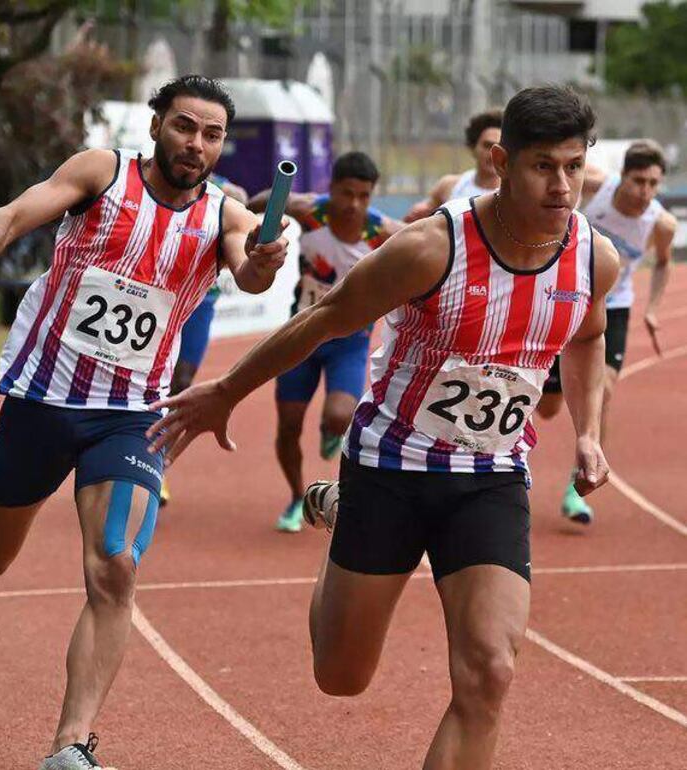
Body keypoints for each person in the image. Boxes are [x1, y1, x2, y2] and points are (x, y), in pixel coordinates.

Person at [148, 85, 618, 769]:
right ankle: (343, 513)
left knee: (489, 672)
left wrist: (587, 430)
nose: (562, 185)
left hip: (489, 476)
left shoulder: (592, 257)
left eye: (575, 167)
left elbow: (587, 338)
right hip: (392, 471)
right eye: (544, 166)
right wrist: (227, 390)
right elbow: (324, 319)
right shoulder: (431, 248)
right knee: (341, 676)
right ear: (499, 160)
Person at [0, 75, 288, 770]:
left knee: (115, 569)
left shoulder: (225, 217)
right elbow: (17, 210)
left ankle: (71, 746)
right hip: (42, 402)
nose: (197, 143)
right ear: (157, 124)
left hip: (130, 418)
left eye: (212, 134)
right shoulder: (104, 171)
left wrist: (265, 264)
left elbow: (250, 272)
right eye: (185, 126)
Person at [248, 152, 403, 532]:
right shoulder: (310, 211)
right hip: (300, 333)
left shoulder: (379, 230)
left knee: (338, 415)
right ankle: (296, 497)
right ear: (331, 188)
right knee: (288, 425)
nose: (354, 205)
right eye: (346, 193)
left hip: (349, 340)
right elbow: (259, 200)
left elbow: (428, 241)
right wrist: (256, 214)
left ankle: (331, 432)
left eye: (364, 196)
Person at [537, 139, 676, 524]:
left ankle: (577, 484)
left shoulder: (660, 223)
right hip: (564, 294)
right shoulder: (594, 186)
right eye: (638, 182)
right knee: (548, 407)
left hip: (613, 306)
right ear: (623, 177)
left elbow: (663, 263)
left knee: (606, 389)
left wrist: (651, 308)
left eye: (653, 184)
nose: (645, 192)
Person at [159, 173, 248, 506]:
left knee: (181, 381)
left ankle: (156, 466)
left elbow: (246, 226)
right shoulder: (162, 183)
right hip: (159, 294)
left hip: (200, 301)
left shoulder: (230, 193)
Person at [404, 109, 503, 222]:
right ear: (473, 147)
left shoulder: (512, 194)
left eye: (499, 147)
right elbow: (416, 221)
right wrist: (417, 214)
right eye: (487, 145)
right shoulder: (449, 186)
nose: (492, 153)